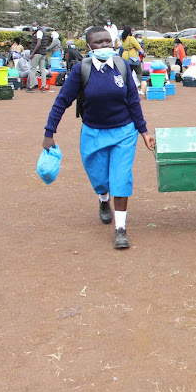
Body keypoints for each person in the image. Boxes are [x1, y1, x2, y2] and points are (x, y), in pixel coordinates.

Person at [41, 27, 156, 250]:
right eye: (98, 43)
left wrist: (144, 132)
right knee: (100, 178)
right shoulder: (81, 70)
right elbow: (62, 101)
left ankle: (120, 229)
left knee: (121, 179)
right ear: (89, 47)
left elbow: (133, 100)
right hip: (93, 133)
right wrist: (49, 133)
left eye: (107, 42)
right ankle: (103, 200)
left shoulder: (121, 67)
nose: (104, 46)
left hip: (124, 132)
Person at [27, 21, 48, 92]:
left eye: (34, 25)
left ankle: (31, 86)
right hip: (43, 53)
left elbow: (38, 43)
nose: (33, 27)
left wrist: (33, 53)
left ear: (38, 25)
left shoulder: (39, 32)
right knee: (42, 69)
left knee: (33, 69)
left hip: (37, 53)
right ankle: (43, 87)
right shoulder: (43, 31)